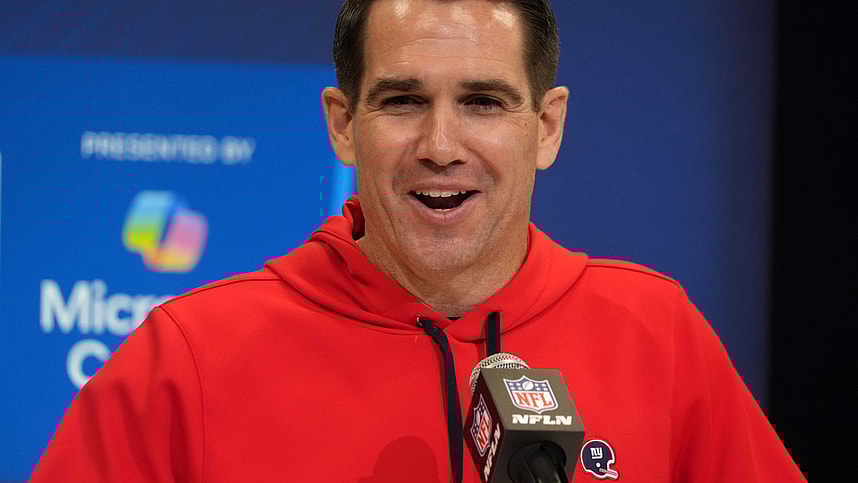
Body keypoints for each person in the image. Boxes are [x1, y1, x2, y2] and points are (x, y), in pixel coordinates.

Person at [32, 0, 805, 481]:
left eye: (482, 102)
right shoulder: (187, 357)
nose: (441, 144)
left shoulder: (657, 332)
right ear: (342, 123)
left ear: (547, 127)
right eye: (403, 100)